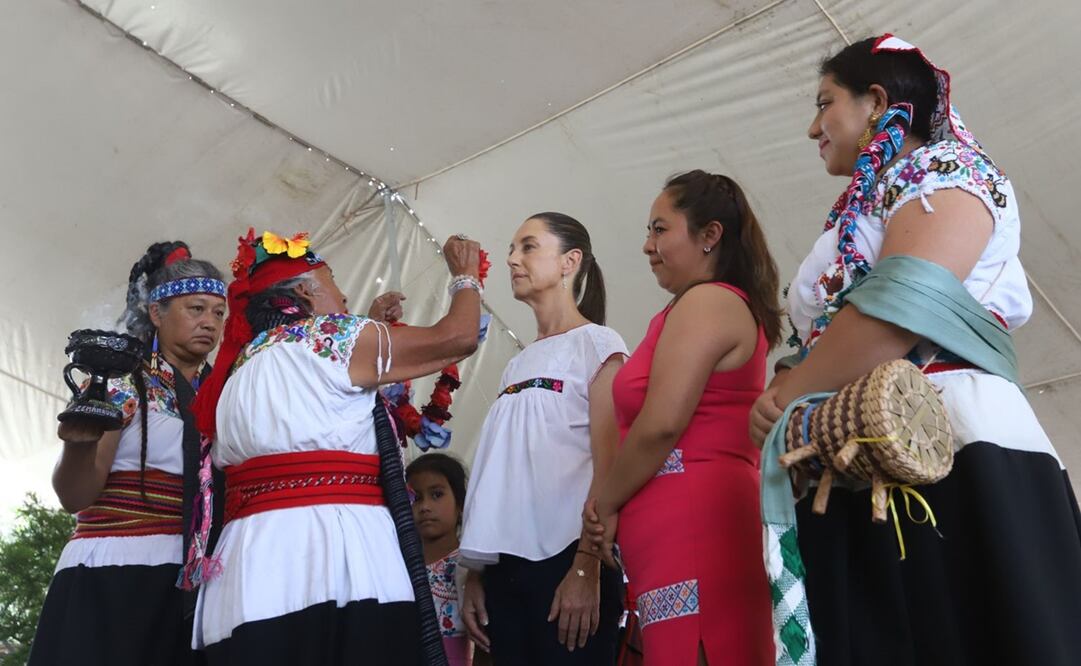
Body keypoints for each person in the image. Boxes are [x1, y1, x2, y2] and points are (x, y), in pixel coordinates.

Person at [749, 35, 1081, 665]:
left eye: (825, 104)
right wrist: (788, 386)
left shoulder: (949, 170)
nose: (812, 126)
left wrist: (789, 395)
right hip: (848, 458)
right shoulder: (856, 210)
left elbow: (906, 301)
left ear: (877, 101)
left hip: (955, 443)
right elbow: (825, 333)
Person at [189, 229, 482, 665]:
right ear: (306, 290)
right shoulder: (335, 337)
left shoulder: (241, 367)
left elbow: (320, 404)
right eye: (333, 283)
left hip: (247, 574)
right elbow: (458, 336)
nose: (344, 298)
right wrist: (466, 277)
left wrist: (371, 327)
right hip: (338, 562)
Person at [586, 170, 781, 665]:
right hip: (677, 524)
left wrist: (604, 506)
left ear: (709, 235)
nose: (648, 245)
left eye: (660, 229)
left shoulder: (709, 302)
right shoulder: (687, 308)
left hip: (699, 518)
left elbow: (662, 423)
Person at [30, 242, 227, 666]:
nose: (209, 322)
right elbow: (74, 498)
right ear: (156, 313)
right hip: (116, 568)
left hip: (194, 580)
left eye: (217, 312)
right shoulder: (120, 381)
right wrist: (78, 448)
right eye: (195, 309)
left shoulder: (226, 392)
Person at [459, 213, 626, 664]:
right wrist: (477, 573)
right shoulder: (518, 363)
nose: (513, 258)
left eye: (528, 246)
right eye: (513, 248)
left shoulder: (598, 343)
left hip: (567, 561)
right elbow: (503, 476)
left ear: (570, 261)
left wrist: (586, 566)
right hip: (506, 572)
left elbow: (609, 466)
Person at [407, 453, 473, 666]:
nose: (424, 506)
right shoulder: (399, 568)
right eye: (416, 498)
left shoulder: (470, 567)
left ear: (461, 504)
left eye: (436, 494)